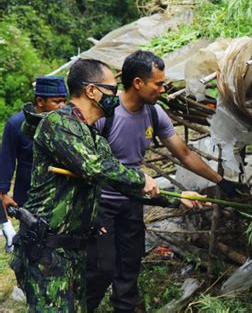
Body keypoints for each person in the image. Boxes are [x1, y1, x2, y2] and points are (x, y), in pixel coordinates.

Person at [10, 58, 170, 311]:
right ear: (91, 90)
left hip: (75, 252)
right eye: (112, 90)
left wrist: (176, 197)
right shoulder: (57, 124)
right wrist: (141, 179)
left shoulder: (94, 137)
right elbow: (94, 167)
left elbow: (121, 183)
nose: (116, 97)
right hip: (47, 252)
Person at [86, 50, 237, 312]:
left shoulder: (154, 113)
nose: (163, 88)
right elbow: (87, 160)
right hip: (101, 204)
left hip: (133, 202)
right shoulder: (106, 114)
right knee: (103, 267)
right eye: (158, 83)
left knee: (130, 264)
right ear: (138, 83)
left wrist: (220, 180)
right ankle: (81, 305)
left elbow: (184, 153)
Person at [0, 76, 67, 253]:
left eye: (64, 101)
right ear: (40, 101)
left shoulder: (65, 123)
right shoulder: (16, 124)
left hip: (61, 196)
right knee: (31, 246)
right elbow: (7, 159)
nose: (62, 106)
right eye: (56, 102)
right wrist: (4, 193)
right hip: (29, 198)